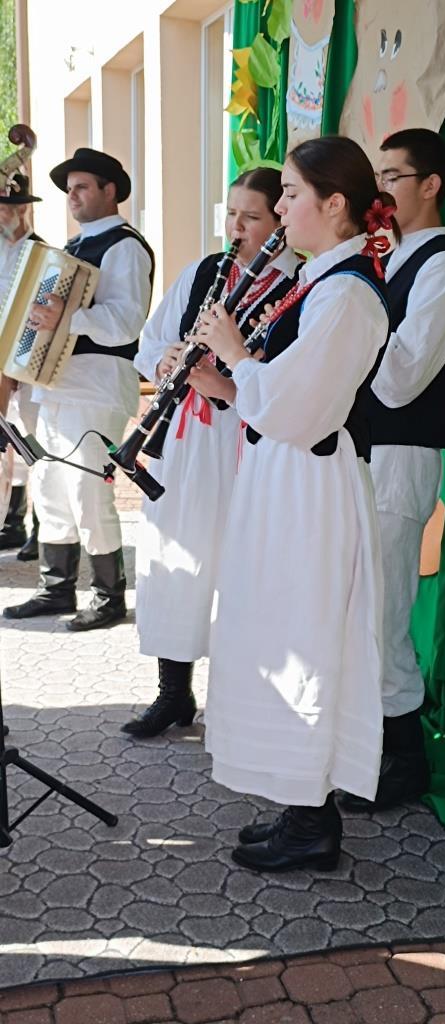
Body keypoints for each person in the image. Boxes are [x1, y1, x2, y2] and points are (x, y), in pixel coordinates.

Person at [196, 135, 396, 873]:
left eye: (289, 194)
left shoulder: (347, 295)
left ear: (333, 203)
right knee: (279, 627)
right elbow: (280, 396)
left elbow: (302, 410)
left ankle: (313, 822)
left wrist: (237, 357)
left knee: (304, 638)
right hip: (286, 480)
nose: (278, 209)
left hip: (309, 489)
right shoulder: (323, 281)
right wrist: (225, 385)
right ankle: (299, 804)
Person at [122, 167, 301, 739]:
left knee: (238, 569)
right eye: (231, 214)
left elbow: (289, 380)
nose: (236, 228)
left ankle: (239, 701)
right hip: (183, 439)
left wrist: (225, 379)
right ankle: (173, 692)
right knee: (174, 561)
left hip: (244, 441)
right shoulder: (204, 272)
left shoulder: (298, 283)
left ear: (280, 221)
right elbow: (149, 342)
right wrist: (166, 361)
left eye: (251, 217)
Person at [341, 128, 445, 815]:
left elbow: (399, 382)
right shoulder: (388, 260)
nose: (382, 189)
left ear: (431, 184)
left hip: (401, 456)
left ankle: (406, 760)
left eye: (394, 176)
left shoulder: (442, 269)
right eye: (379, 176)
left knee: (385, 615)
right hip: (363, 452)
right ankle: (368, 746)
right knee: (358, 609)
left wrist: (348, 325)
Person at [3, 148, 154, 630]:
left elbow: (126, 321)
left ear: (111, 190)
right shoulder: (72, 246)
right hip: (55, 383)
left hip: (97, 383)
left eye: (82, 186)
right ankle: (56, 588)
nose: (72, 195)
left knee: (87, 488)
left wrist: (65, 318)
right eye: (69, 189)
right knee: (49, 485)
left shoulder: (125, 246)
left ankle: (108, 597)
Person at [0, 173, 43, 561]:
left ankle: (42, 529)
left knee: (33, 440)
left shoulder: (41, 252)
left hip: (28, 360)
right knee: (5, 446)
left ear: (23, 209)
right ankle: (11, 524)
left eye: (8, 207)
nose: (2, 214)